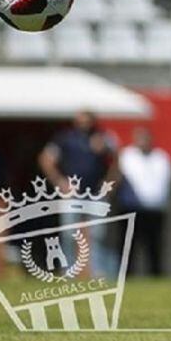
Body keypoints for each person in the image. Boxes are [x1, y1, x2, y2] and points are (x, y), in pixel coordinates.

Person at [38, 111, 118, 278]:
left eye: (88, 121)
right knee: (69, 234)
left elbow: (118, 160)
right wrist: (60, 181)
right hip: (72, 194)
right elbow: (45, 159)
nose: (85, 124)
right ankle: (68, 272)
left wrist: (109, 183)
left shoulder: (103, 138)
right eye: (82, 120)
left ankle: (98, 272)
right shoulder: (64, 138)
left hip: (95, 193)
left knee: (98, 235)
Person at [118, 128, 171, 276]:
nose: (143, 141)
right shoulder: (126, 156)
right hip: (131, 208)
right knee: (128, 246)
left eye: (146, 138)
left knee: (154, 246)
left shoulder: (161, 157)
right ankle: (126, 276)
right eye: (140, 138)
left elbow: (166, 180)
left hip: (155, 209)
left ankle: (156, 276)